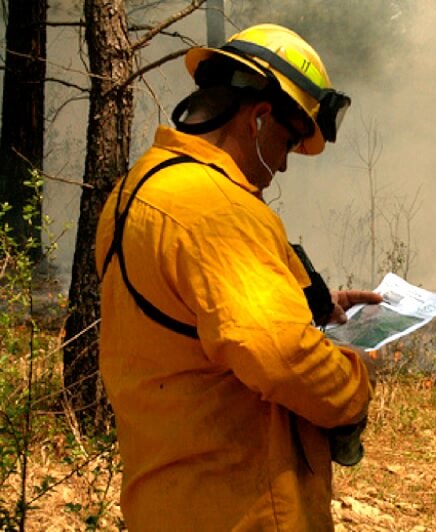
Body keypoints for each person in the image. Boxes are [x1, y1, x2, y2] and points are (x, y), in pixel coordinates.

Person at [95, 24, 381, 531]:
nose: (285, 167)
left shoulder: (136, 190)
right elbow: (281, 360)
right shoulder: (219, 208)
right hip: (240, 507)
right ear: (260, 118)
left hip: (166, 501)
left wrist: (309, 310)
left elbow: (193, 322)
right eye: (290, 144)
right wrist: (352, 373)